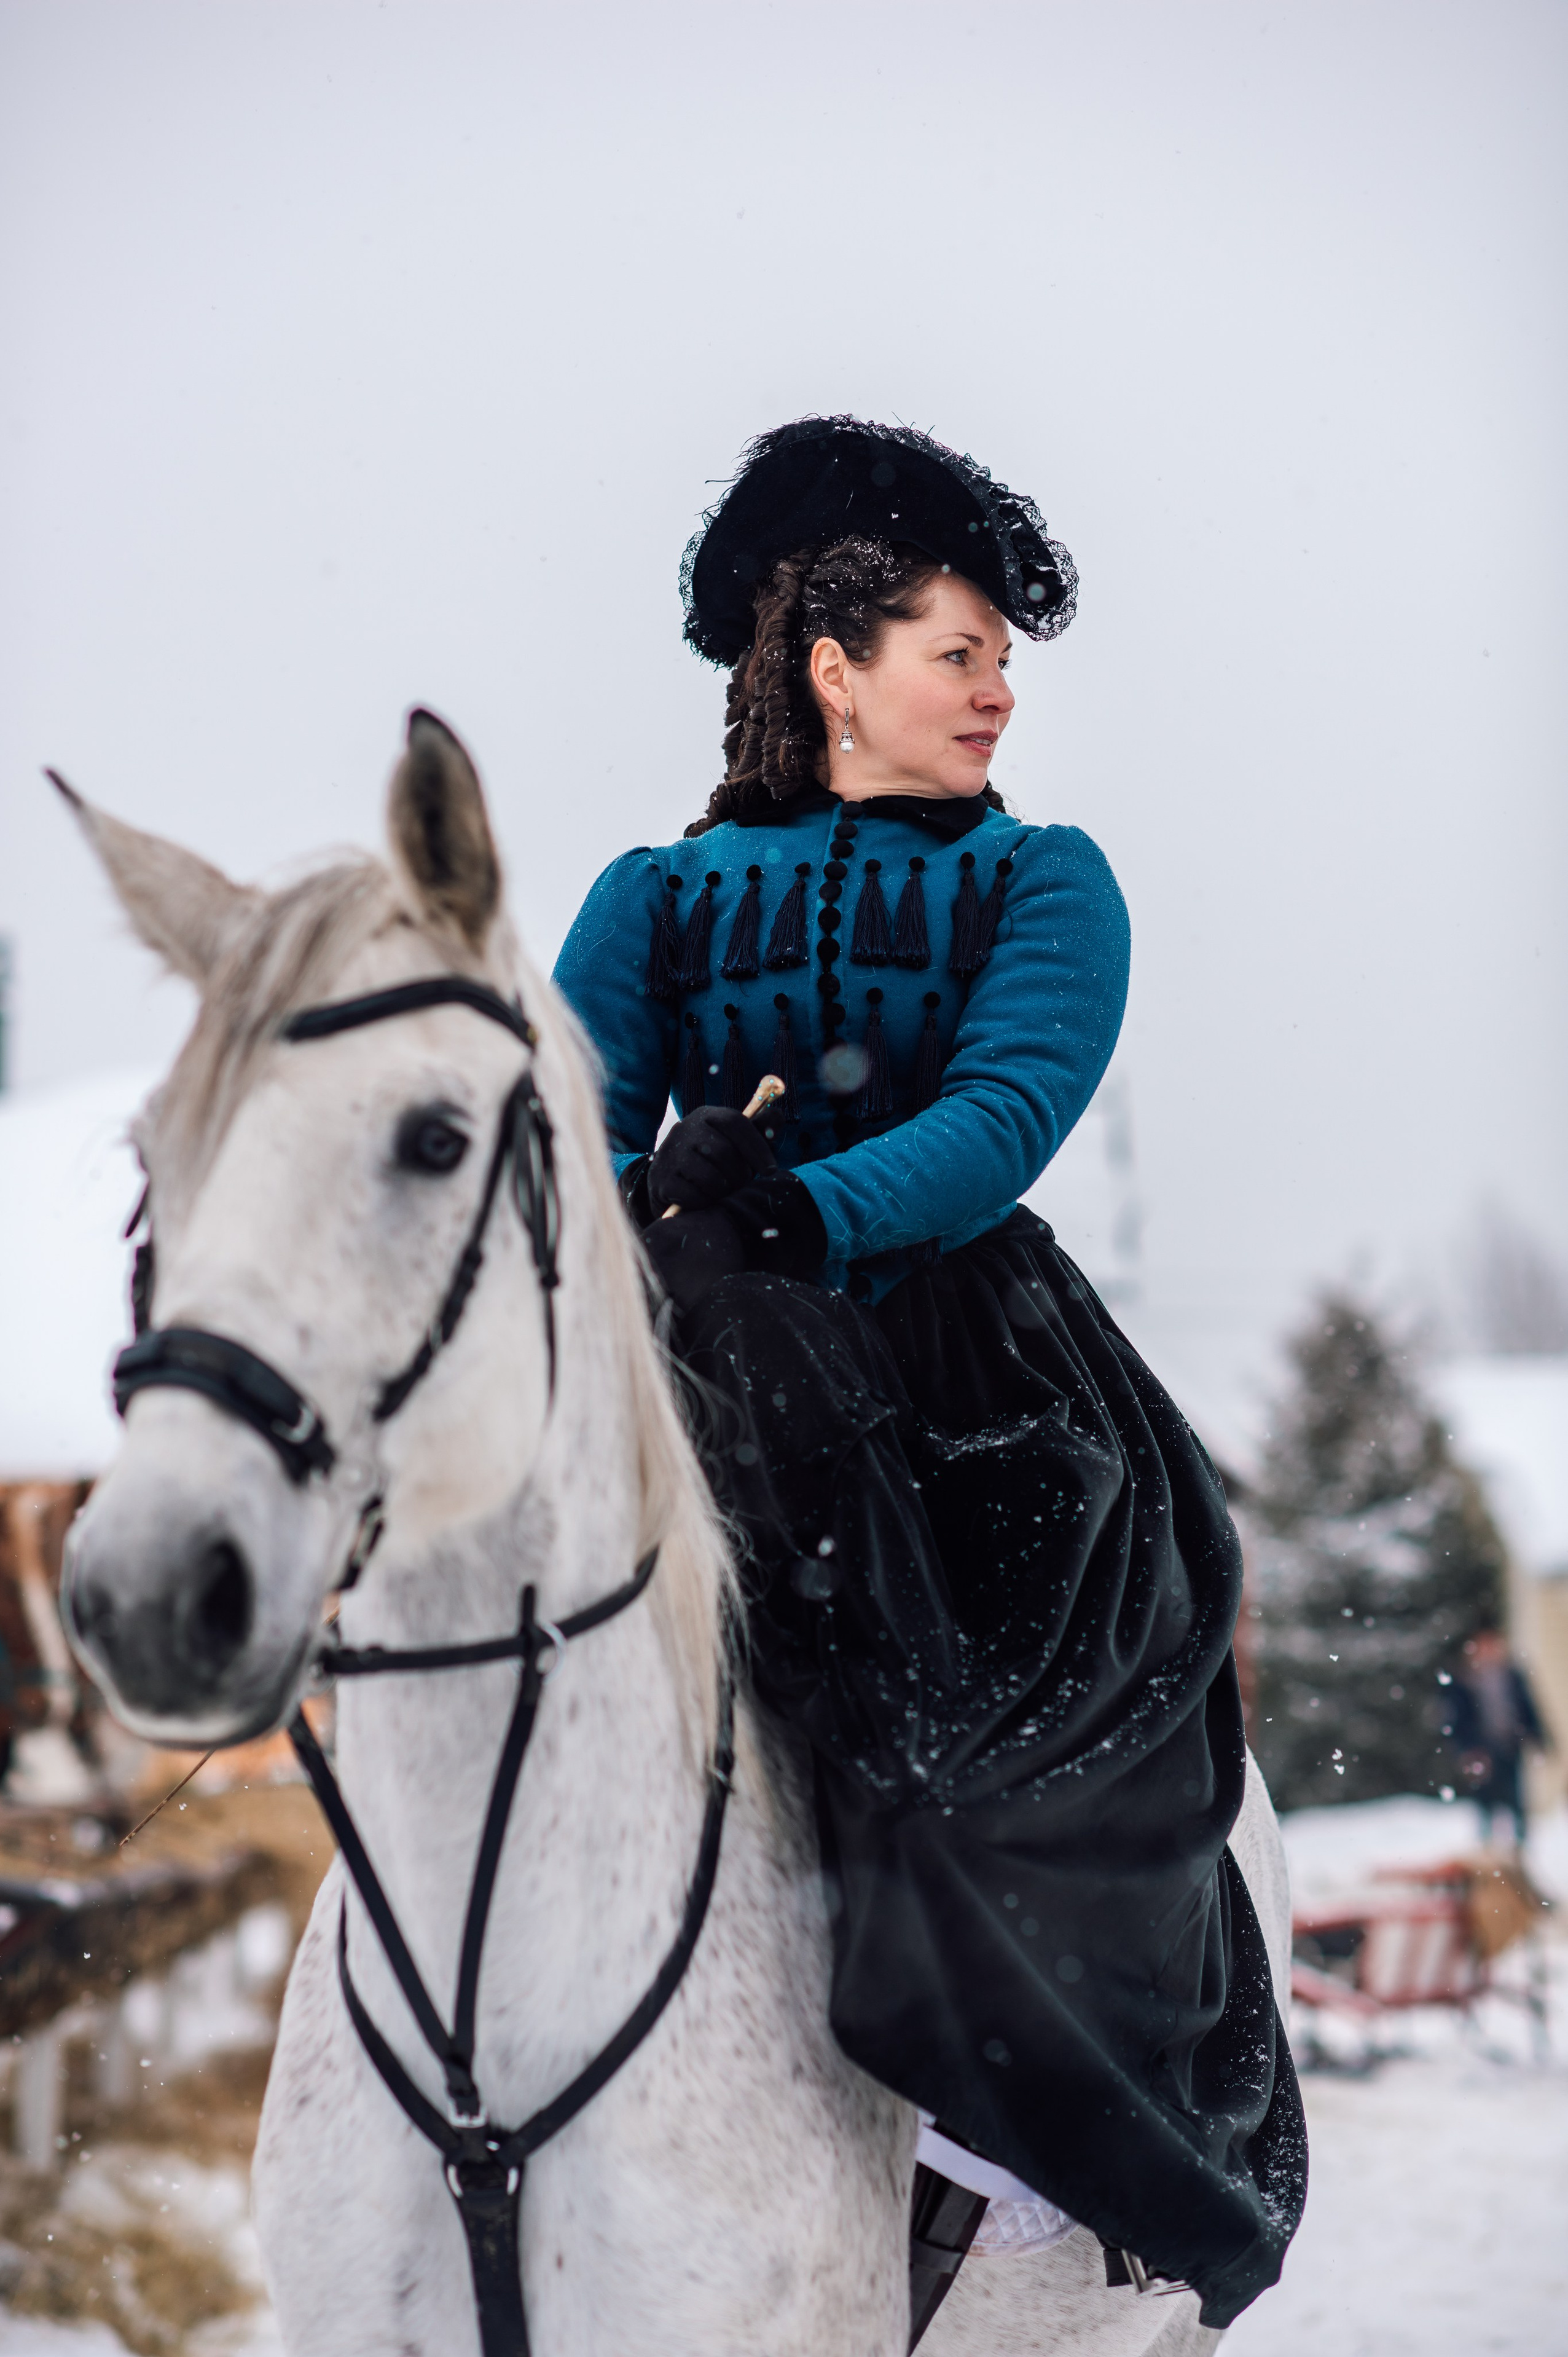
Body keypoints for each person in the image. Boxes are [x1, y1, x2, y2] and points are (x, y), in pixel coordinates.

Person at [554, 415, 1304, 2335]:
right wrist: (659, 1202)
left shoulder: (1047, 883)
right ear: (833, 666)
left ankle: (1060, 2152)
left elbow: (1000, 1114)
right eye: (957, 652)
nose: (993, 694)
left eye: (998, 661)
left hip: (973, 1378)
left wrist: (792, 1211)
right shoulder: (648, 899)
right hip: (701, 1345)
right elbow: (570, 1129)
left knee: (1033, 1695)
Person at [1446, 1624, 1550, 1847]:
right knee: (1485, 1802)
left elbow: (1529, 1710)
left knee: (1516, 1801)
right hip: (1481, 1750)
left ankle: (1518, 1851)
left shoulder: (1512, 1675)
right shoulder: (1464, 1679)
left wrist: (1540, 1739)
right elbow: (1457, 1719)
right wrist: (1466, 1749)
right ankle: (1488, 1852)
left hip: (1510, 1746)